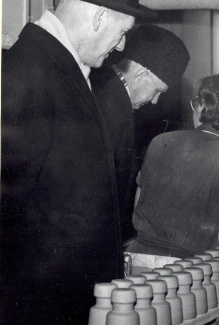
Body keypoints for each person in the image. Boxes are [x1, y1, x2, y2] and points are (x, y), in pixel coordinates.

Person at [1, 0, 156, 324]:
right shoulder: (27, 72)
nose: (122, 45)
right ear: (100, 17)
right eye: (123, 32)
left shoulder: (65, 71)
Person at [126, 73, 219, 258]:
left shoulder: (160, 141)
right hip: (191, 273)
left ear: (202, 107)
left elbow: (138, 207)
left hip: (136, 262)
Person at [90, 24, 190, 242]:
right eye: (156, 91)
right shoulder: (115, 110)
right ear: (140, 75)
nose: (154, 101)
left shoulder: (102, 92)